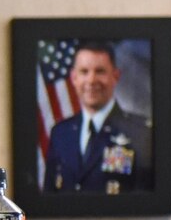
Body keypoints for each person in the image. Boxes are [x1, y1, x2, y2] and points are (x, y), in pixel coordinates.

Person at [43, 41, 153, 194]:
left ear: (115, 76)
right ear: (74, 78)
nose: (91, 80)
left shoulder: (140, 133)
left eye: (100, 71)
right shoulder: (60, 133)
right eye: (84, 72)